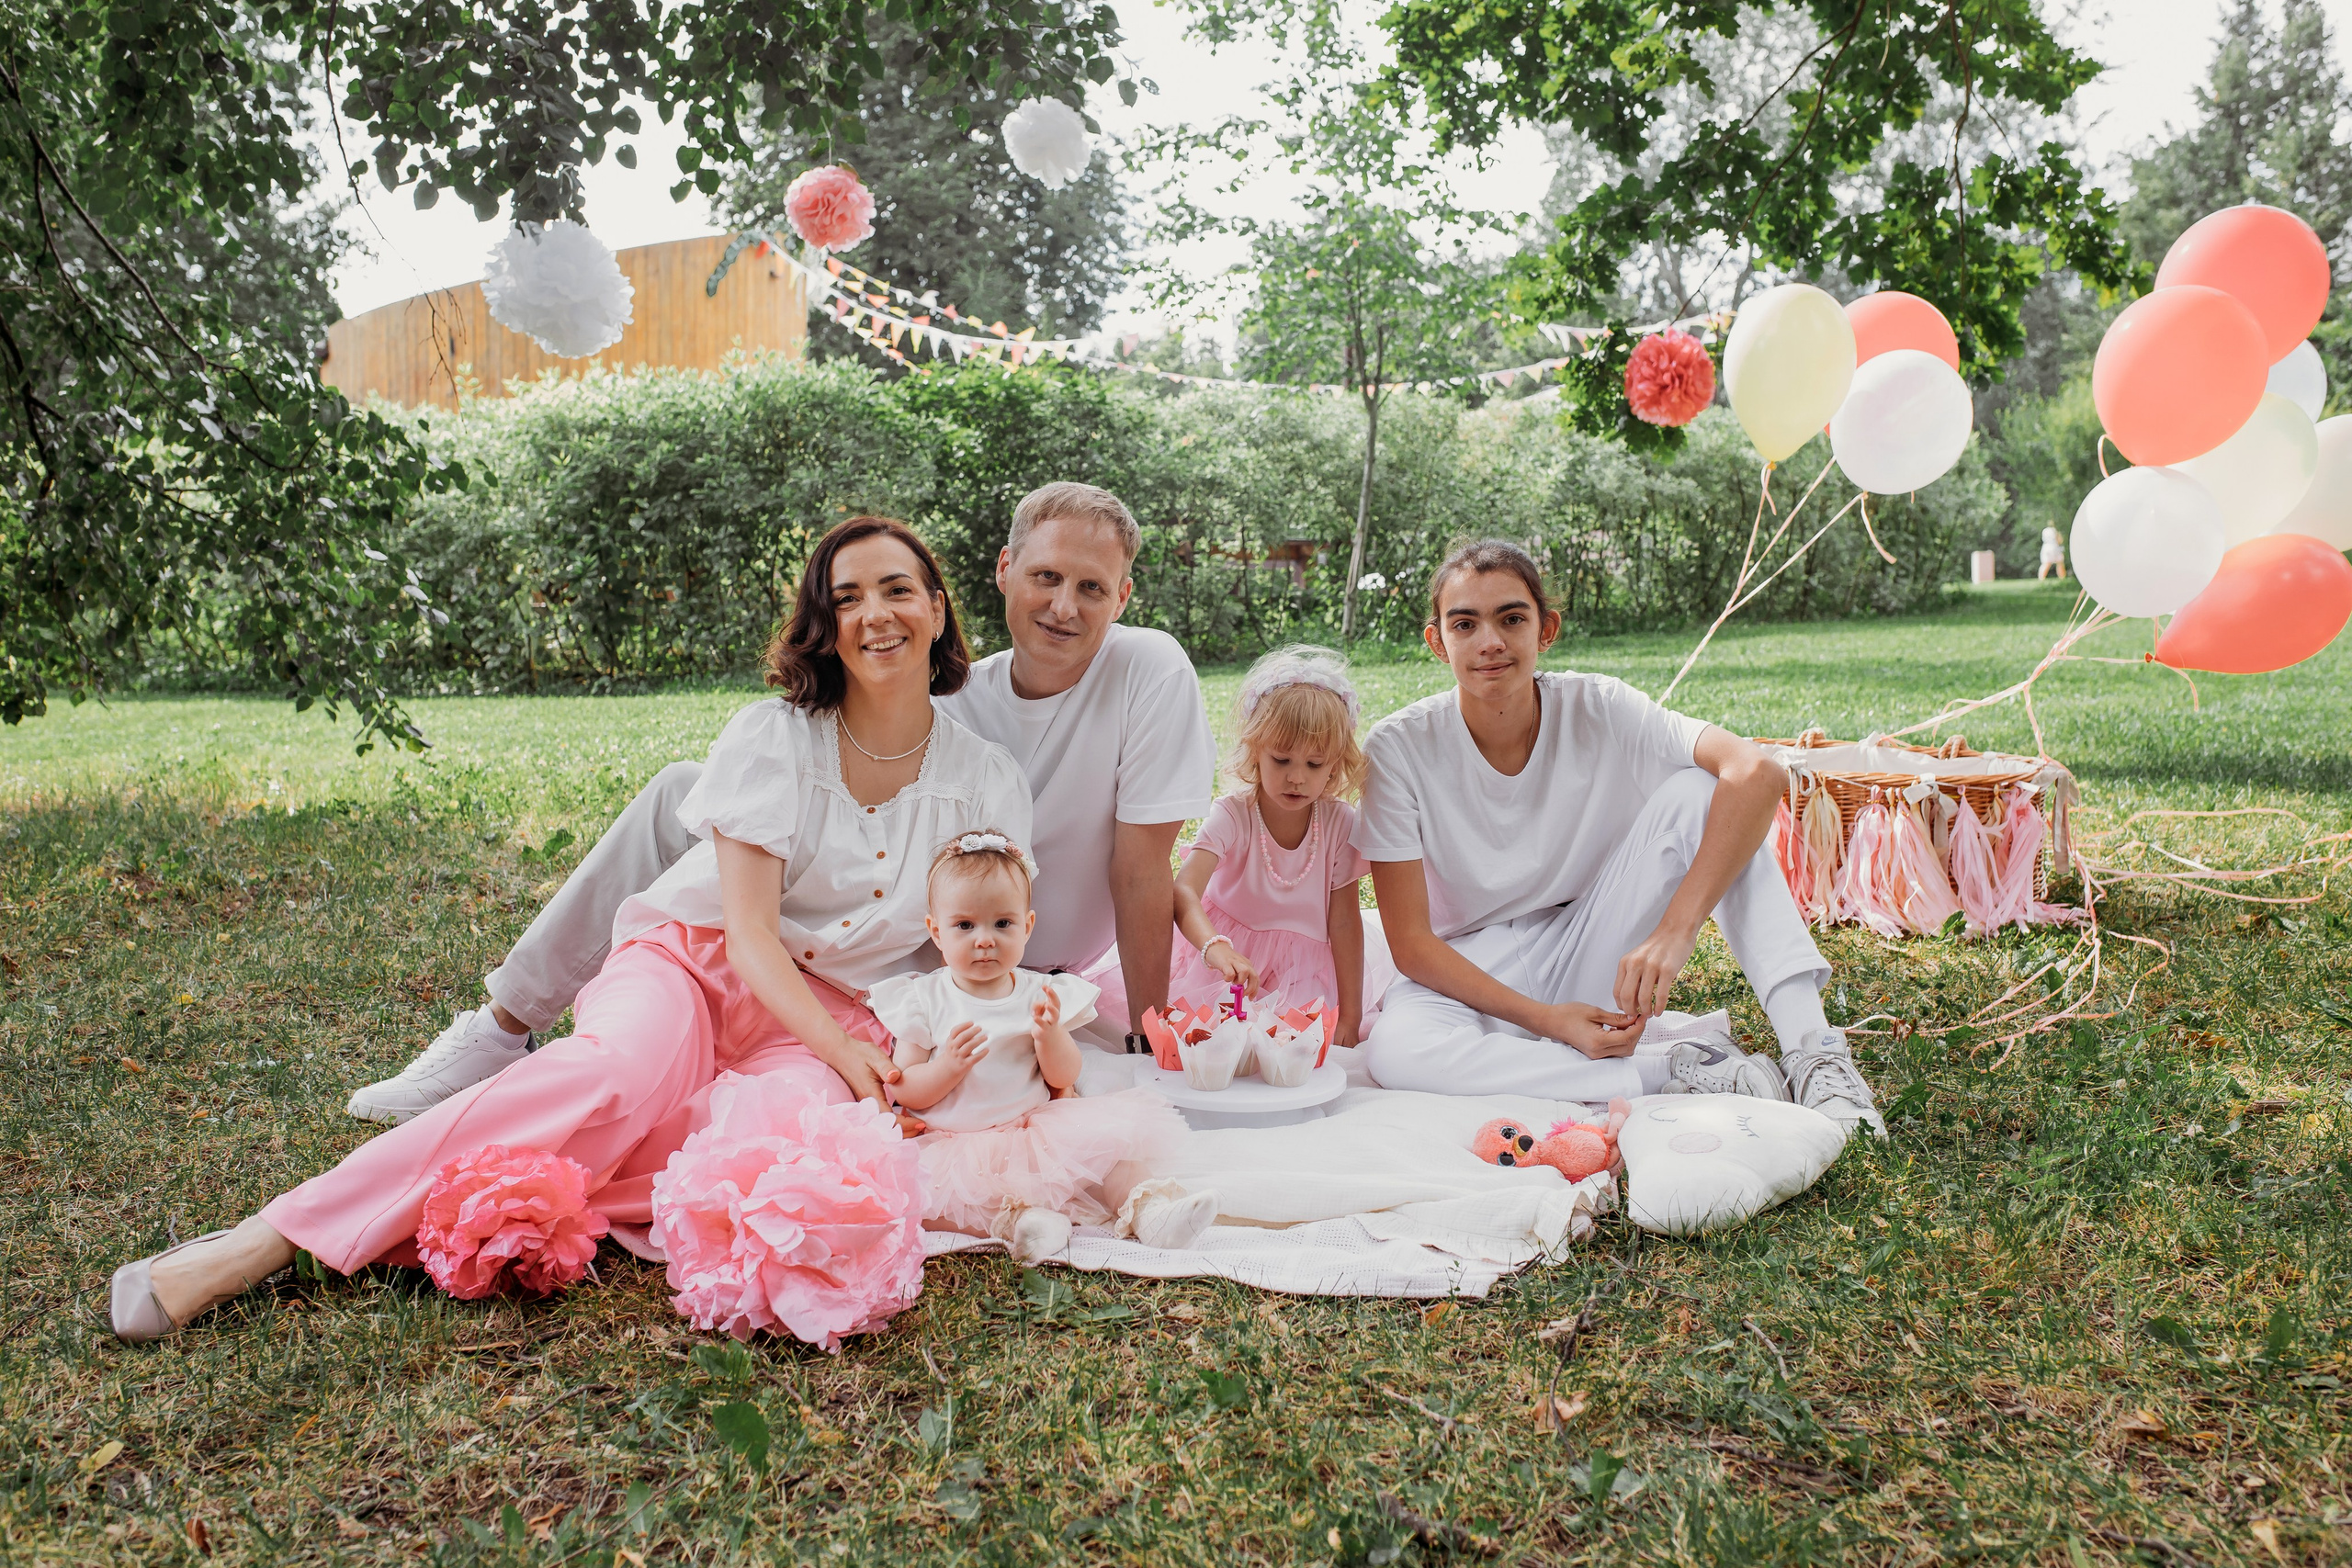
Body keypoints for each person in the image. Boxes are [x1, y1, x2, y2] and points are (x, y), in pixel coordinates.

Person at [111, 517, 1033, 1342]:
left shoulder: (987, 779)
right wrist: (842, 1053)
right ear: (825, 627)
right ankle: (271, 1238)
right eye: (847, 598)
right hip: (700, 964)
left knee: (761, 1155)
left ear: (938, 608)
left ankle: (499, 1199)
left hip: (835, 1015)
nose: (875, 614)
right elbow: (750, 934)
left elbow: (976, 940)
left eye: (897, 589)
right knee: (608, 1080)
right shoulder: (775, 736)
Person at [346, 482, 1216, 1123]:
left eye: (1092, 588)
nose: (1064, 606)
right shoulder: (953, 695)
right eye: (1047, 577)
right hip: (918, 920)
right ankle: (503, 1024)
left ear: (1123, 596)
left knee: (707, 813)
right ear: (1004, 571)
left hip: (998, 944)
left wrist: (1148, 1035)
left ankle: (681, 1013)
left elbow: (1143, 868)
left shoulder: (1148, 668)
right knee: (683, 789)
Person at [1356, 539, 1883, 1134]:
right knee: (1396, 1052)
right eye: (1465, 624)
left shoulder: (1599, 705)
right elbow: (1411, 944)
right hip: (1470, 967)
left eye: (1511, 618)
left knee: (1701, 793)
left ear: (1546, 629)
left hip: (1589, 937)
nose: (1490, 641)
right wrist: (1549, 1020)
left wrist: (1676, 929)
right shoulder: (1397, 748)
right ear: (1438, 642)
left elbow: (1756, 772)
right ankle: (1673, 1071)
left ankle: (1815, 1053)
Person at [868, 831, 1216, 1263]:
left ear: (1027, 926)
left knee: (1110, 1153)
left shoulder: (1039, 993)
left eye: (1002, 924)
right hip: (957, 1142)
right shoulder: (922, 999)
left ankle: (1152, 1211)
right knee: (936, 1198)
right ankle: (1025, 1223)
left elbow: (1064, 1076)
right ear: (936, 932)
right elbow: (904, 1087)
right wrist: (948, 1068)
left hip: (1033, 1129)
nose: (984, 939)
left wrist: (1050, 1036)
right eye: (965, 925)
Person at [1117, 645, 1395, 1048]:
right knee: (1216, 1038)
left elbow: (1345, 922)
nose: (1296, 777)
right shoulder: (1234, 815)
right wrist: (1214, 948)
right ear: (1255, 751)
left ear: (1335, 764)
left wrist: (1350, 1016)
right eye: (1281, 760)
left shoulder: (1338, 824)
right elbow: (1183, 890)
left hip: (1303, 971)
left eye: (1314, 764)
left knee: (1290, 1042)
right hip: (1228, 966)